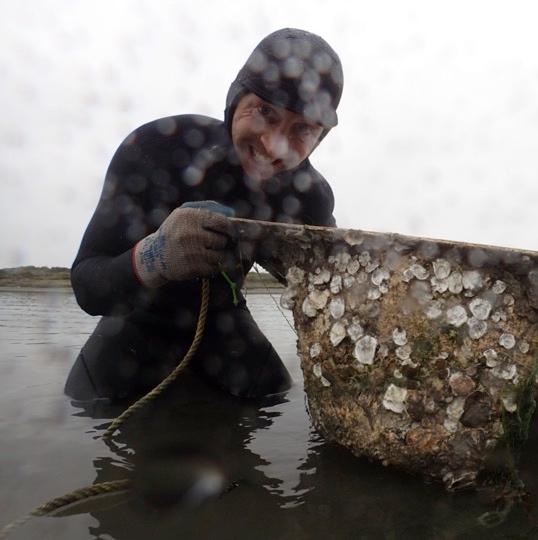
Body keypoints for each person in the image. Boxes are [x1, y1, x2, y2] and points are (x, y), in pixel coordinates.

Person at [64, 28, 343, 403]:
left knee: (275, 398)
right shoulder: (157, 149)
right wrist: (155, 255)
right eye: (264, 111)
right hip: (138, 320)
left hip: (225, 323)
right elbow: (87, 287)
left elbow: (332, 288)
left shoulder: (309, 197)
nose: (274, 145)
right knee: (86, 406)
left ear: (319, 137)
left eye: (303, 129)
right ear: (234, 101)